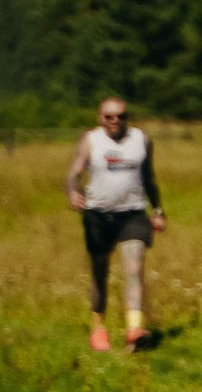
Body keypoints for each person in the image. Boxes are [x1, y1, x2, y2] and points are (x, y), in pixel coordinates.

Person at [65, 99, 165, 353]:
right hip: (98, 215)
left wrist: (158, 210)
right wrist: (73, 191)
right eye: (109, 117)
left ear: (127, 117)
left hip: (132, 214)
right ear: (100, 118)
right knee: (100, 274)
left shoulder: (141, 140)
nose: (115, 121)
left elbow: (149, 178)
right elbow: (74, 172)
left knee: (134, 268)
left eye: (120, 116)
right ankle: (98, 328)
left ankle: (134, 330)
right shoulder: (91, 140)